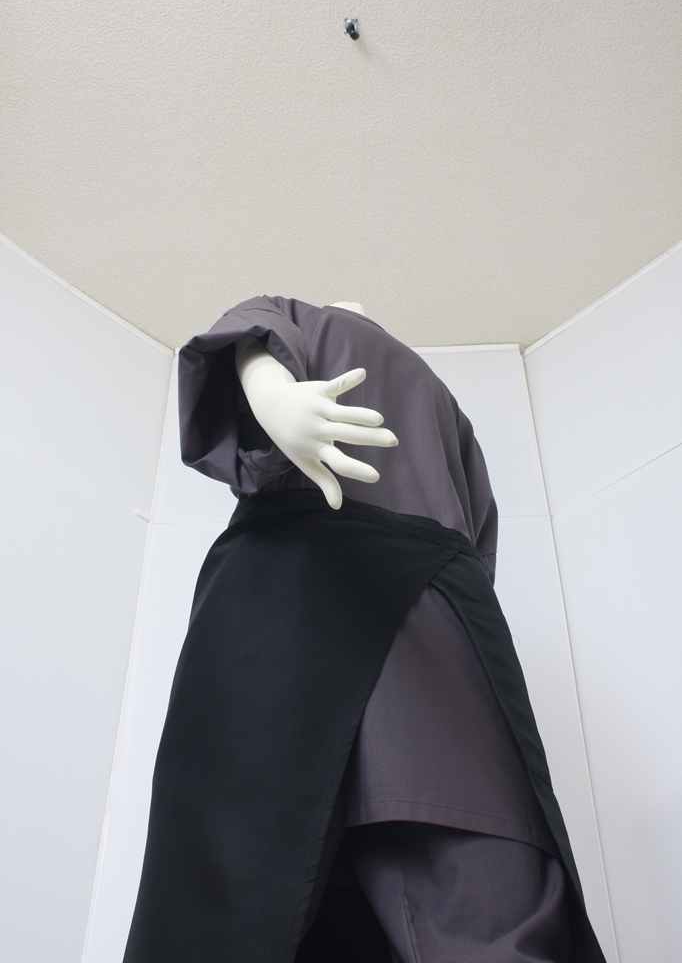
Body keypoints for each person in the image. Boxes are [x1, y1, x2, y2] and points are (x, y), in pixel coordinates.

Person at [123, 296, 606, 963]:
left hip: (309, 599)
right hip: (412, 616)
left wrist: (273, 399)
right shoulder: (443, 405)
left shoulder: (300, 318)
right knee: (486, 893)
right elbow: (478, 544)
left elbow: (249, 347)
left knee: (234, 888)